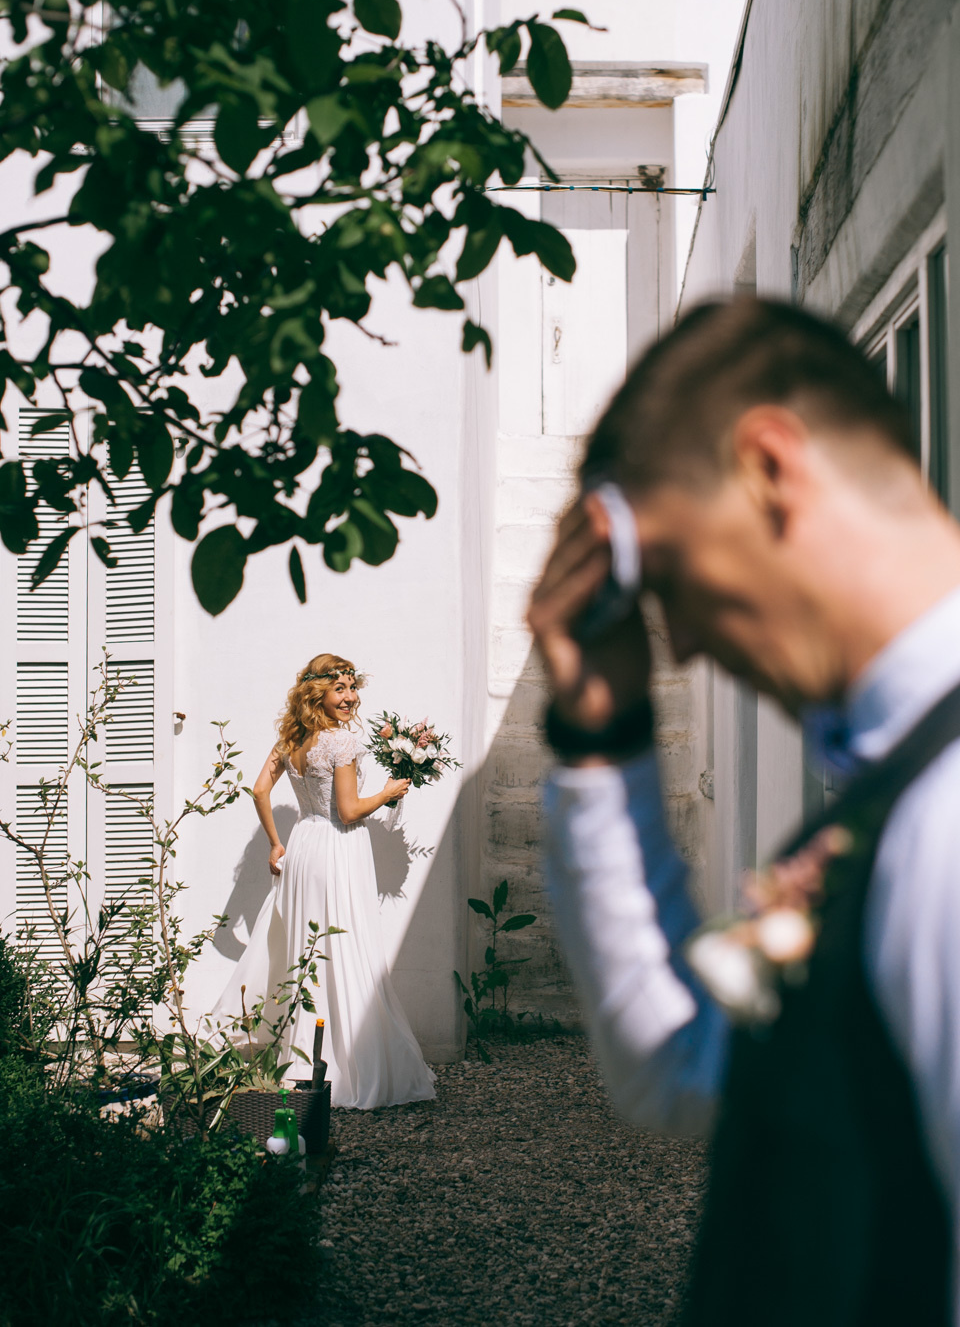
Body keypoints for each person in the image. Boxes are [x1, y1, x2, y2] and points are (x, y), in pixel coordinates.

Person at [527, 296, 960, 1327]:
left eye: (664, 575)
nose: (673, 646)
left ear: (769, 467)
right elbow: (681, 1065)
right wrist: (602, 737)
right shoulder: (891, 796)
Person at [212, 653, 435, 1109]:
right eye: (340, 689)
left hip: (303, 846)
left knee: (307, 949)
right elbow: (350, 811)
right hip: (338, 847)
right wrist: (389, 793)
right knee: (343, 947)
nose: (350, 697)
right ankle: (349, 1064)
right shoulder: (341, 744)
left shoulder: (291, 738)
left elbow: (258, 790)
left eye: (353, 688)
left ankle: (302, 1060)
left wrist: (277, 844)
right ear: (318, 693)